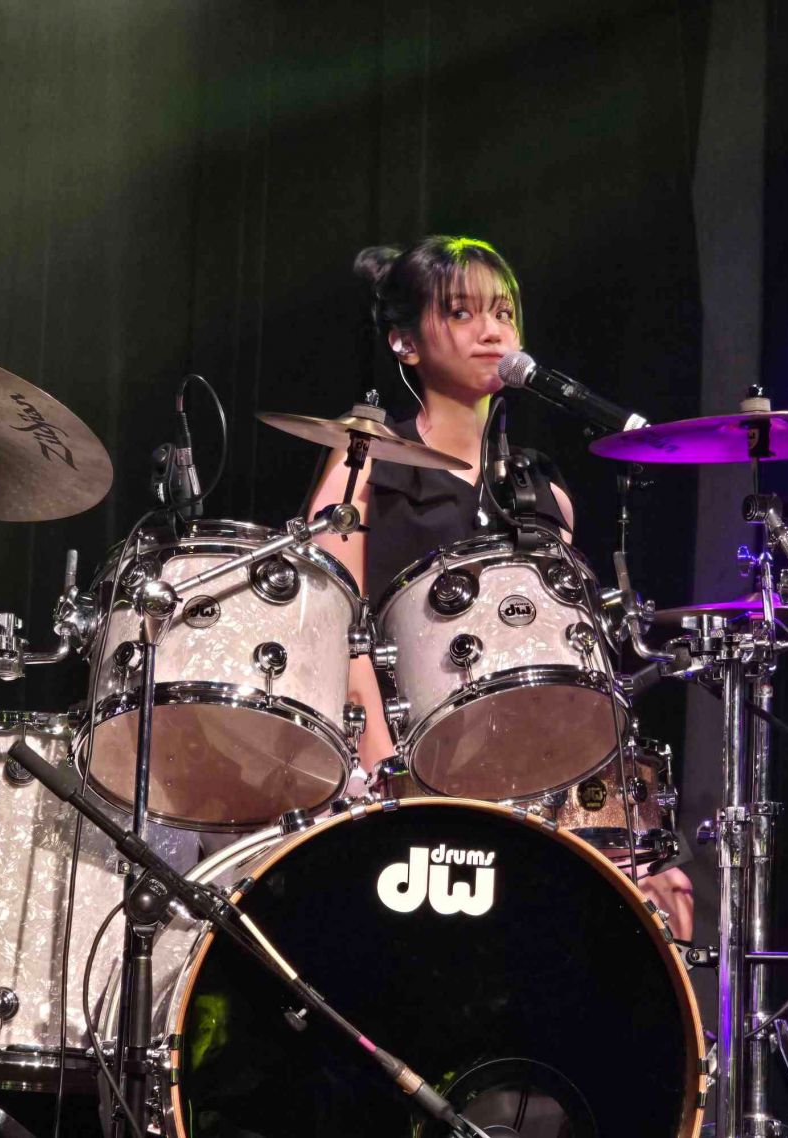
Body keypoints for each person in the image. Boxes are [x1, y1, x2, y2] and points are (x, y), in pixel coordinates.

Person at [310, 234, 692, 939]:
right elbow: (332, 630)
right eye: (461, 313)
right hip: (406, 772)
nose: (492, 332)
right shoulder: (363, 465)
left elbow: (577, 657)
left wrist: (637, 834)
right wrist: (387, 775)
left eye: (504, 313)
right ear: (404, 343)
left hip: (539, 779)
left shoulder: (542, 488)